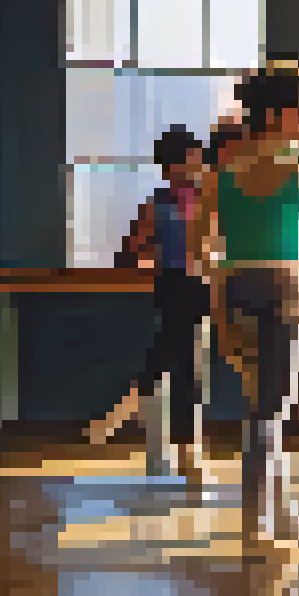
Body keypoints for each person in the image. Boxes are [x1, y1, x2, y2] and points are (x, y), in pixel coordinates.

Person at [193, 66, 299, 541]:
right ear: (280, 116)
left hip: (231, 294)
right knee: (271, 411)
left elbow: (200, 247)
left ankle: (278, 511)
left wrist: (220, 280)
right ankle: (257, 520)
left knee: (261, 407)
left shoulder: (220, 175)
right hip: (282, 292)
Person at [88, 126, 216, 480]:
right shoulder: (157, 206)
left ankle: (134, 402)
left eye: (199, 161)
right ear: (172, 167)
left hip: (203, 287)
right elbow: (128, 254)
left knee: (178, 352)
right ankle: (187, 450)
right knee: (185, 360)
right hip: (177, 287)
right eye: (192, 161)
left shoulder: (210, 200)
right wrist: (156, 256)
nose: (198, 166)